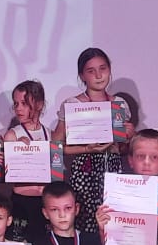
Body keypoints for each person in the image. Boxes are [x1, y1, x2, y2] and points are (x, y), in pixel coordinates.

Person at [53, 47, 133, 234]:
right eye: (91, 71)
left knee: (113, 225)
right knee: (85, 225)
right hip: (84, 172)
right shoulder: (73, 105)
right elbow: (56, 147)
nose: (98, 75)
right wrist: (86, 149)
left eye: (103, 68)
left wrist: (130, 135)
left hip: (113, 169)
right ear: (82, 76)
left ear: (109, 70)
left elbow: (123, 149)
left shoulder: (119, 104)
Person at [1, 80, 50, 242]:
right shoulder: (12, 135)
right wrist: (16, 150)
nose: (19, 108)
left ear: (39, 104)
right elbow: (5, 173)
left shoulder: (50, 134)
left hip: (45, 202)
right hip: (21, 202)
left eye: (24, 103)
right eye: (16, 104)